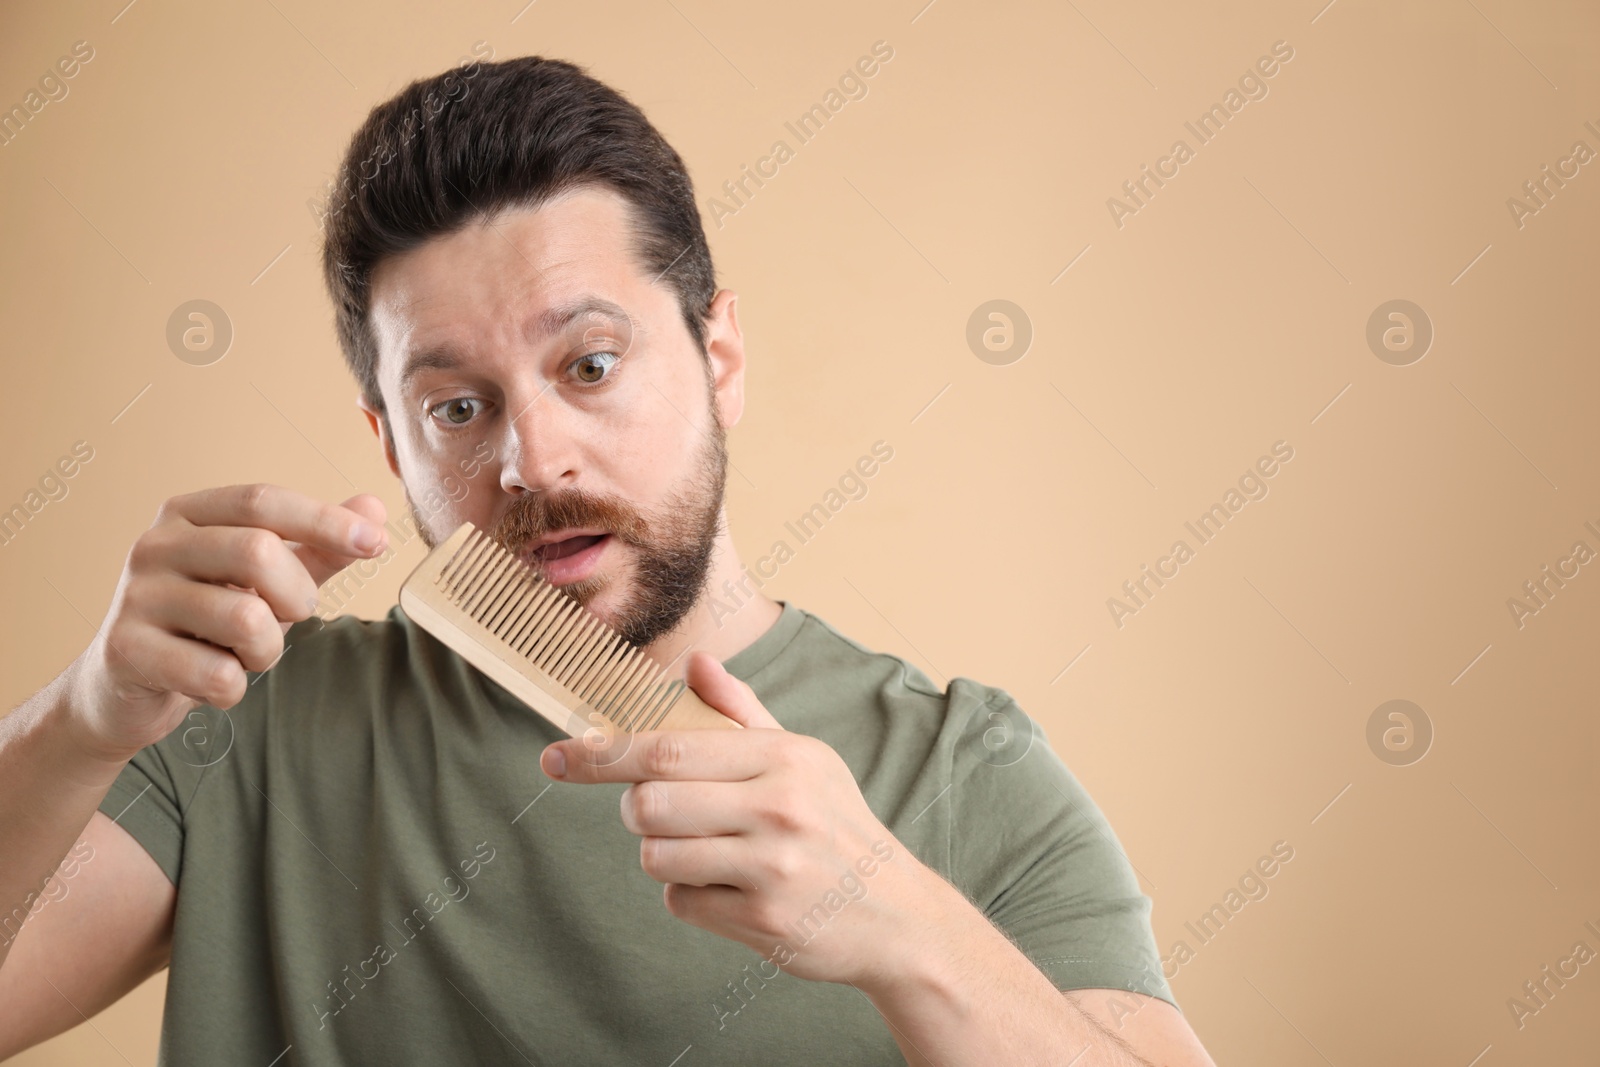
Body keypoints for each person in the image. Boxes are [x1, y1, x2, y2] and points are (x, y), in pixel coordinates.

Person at [0, 54, 1215, 1065]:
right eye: (457, 409)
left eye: (589, 364)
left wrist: (906, 929)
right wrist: (83, 718)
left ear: (717, 356)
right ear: (389, 442)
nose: (533, 460)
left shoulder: (964, 771)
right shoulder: (246, 725)